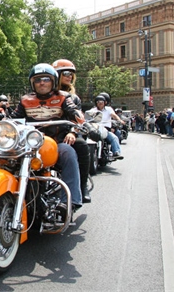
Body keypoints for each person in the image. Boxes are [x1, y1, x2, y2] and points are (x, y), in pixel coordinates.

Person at [10, 63, 83, 211]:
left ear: (54, 81)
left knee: (68, 153)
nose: (42, 82)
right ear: (32, 83)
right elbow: (14, 119)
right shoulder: (25, 100)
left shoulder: (63, 97)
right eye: (37, 80)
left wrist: (73, 131)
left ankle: (69, 202)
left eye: (46, 79)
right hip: (29, 145)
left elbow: (75, 114)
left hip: (56, 143)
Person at [52, 58, 91, 204]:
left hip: (67, 134)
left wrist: (73, 132)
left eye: (71, 74)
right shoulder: (44, 95)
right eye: (66, 73)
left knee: (81, 145)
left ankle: (82, 186)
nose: (70, 76)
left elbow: (78, 118)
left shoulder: (74, 98)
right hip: (47, 136)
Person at [87, 95, 124, 159]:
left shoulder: (109, 109)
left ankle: (116, 152)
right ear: (96, 103)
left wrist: (119, 120)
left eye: (102, 102)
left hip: (105, 129)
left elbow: (113, 115)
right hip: (95, 128)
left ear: (105, 102)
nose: (100, 103)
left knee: (114, 138)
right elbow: (87, 118)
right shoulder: (93, 110)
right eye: (98, 102)